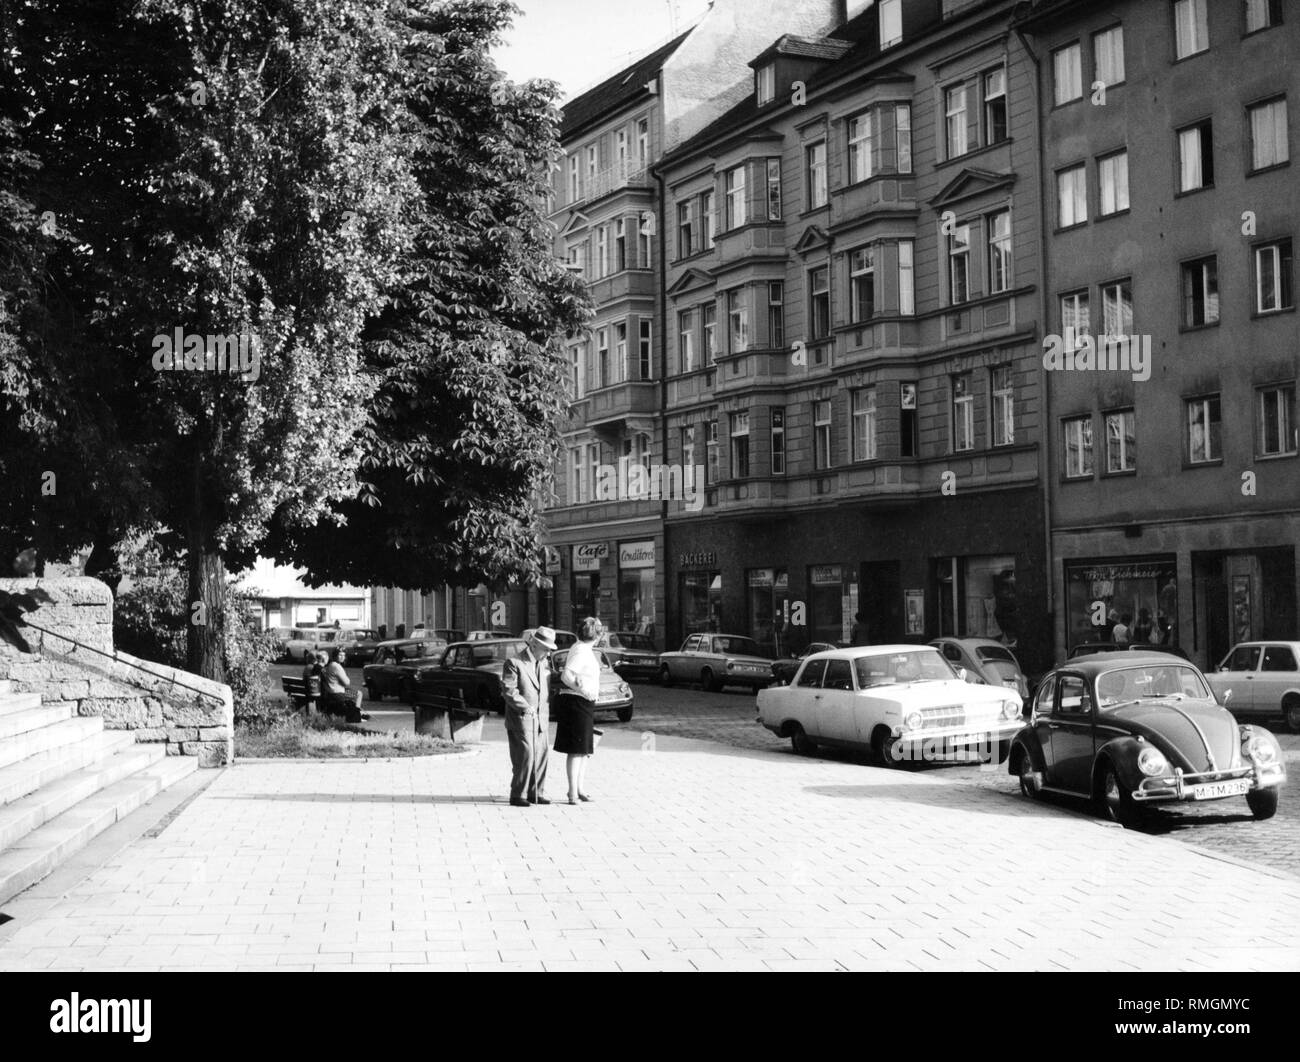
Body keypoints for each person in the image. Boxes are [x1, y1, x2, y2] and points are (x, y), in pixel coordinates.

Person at [502, 626, 557, 807]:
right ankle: (518, 794)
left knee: (541, 754)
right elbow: (509, 691)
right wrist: (525, 707)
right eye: (546, 649)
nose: (548, 654)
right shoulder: (514, 662)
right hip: (522, 718)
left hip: (541, 717)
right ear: (534, 644)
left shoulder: (543, 663)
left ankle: (536, 792)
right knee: (526, 755)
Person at [554, 617, 602, 805]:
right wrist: (581, 688)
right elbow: (566, 675)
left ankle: (579, 789)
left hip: (583, 703)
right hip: (577, 703)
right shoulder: (582, 650)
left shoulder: (582, 648)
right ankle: (572, 792)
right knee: (576, 750)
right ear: (597, 636)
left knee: (583, 750)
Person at [323, 647, 364, 723]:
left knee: (353, 692)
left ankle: (356, 712)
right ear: (335, 656)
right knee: (359, 694)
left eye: (343, 655)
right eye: (340, 655)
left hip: (331, 692)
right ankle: (356, 713)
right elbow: (347, 682)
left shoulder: (330, 665)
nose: (342, 657)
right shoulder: (337, 666)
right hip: (338, 693)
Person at [300, 650, 324, 715]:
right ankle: (321, 712)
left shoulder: (307, 667)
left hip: (307, 691)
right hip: (314, 691)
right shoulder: (314, 667)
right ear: (315, 659)